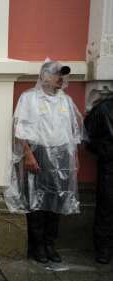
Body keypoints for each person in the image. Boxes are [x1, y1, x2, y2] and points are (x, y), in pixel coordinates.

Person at [5, 60, 83, 264]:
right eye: (58, 74)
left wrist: (73, 158)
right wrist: (28, 154)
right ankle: (37, 246)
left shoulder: (65, 100)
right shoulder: (29, 98)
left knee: (57, 200)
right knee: (37, 201)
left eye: (63, 76)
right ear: (45, 76)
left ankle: (50, 244)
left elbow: (73, 132)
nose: (61, 79)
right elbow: (20, 128)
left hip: (62, 155)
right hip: (39, 154)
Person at [84, 87, 113, 264]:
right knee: (107, 208)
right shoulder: (104, 108)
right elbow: (87, 136)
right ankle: (104, 250)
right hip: (110, 166)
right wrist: (106, 151)